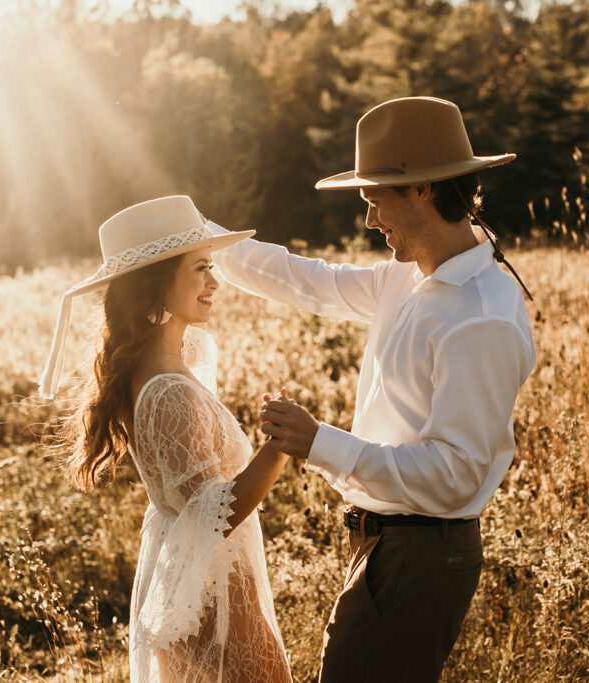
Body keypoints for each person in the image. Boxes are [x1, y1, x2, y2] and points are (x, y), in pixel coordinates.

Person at [209, 96, 537, 681]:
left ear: (423, 190)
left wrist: (320, 443)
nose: (367, 219)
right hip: (389, 549)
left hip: (421, 554)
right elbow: (307, 281)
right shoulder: (406, 279)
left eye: (373, 199)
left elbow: (455, 474)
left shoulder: (479, 315)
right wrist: (202, 240)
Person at [38, 196, 292, 683]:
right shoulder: (169, 391)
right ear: (155, 287)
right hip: (214, 596)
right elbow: (211, 514)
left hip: (201, 584)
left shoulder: (163, 365)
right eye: (200, 269)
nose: (215, 282)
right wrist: (278, 446)